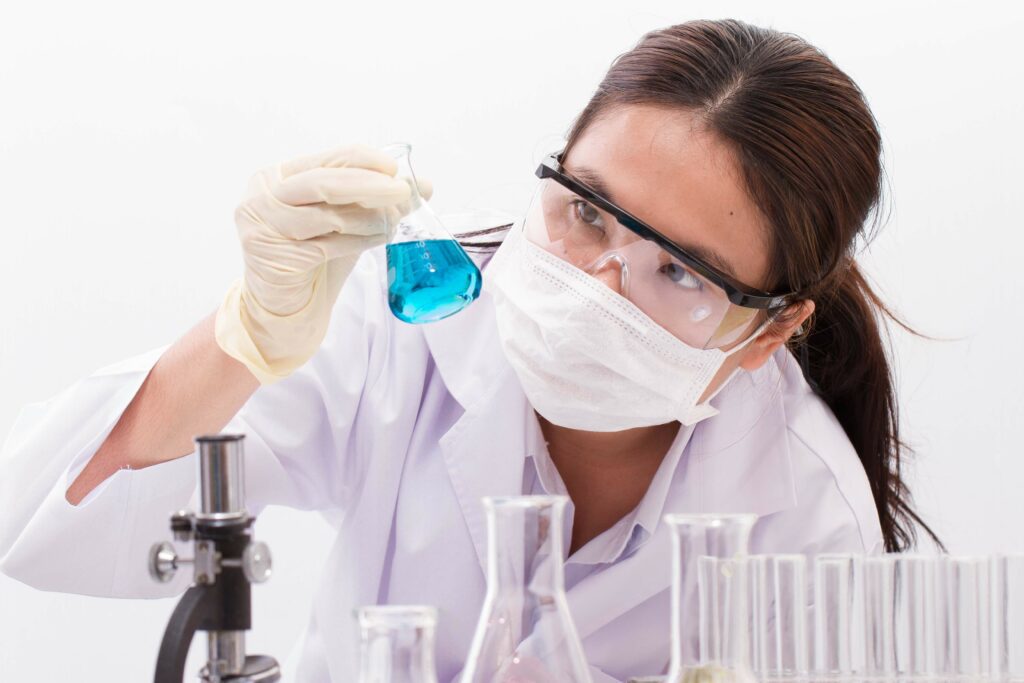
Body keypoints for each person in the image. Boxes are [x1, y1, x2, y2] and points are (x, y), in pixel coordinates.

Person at [0, 18, 937, 682]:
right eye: (586, 211)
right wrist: (246, 335)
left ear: (770, 328)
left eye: (680, 273)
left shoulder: (806, 515)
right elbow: (45, 524)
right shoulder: (411, 325)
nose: (595, 286)